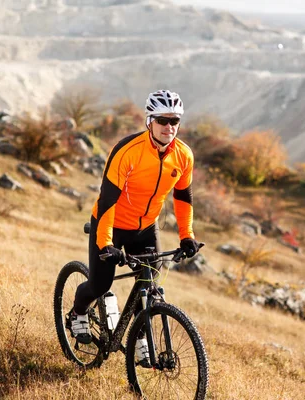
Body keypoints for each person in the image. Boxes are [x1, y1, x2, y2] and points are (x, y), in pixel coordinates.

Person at [69, 89, 200, 365]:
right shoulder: (128, 151)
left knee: (148, 285)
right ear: (149, 121)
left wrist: (187, 235)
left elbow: (183, 197)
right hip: (112, 223)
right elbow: (107, 200)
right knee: (100, 283)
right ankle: (78, 312)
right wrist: (105, 243)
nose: (169, 127)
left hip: (145, 228)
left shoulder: (183, 155)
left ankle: (139, 340)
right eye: (162, 120)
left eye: (174, 120)